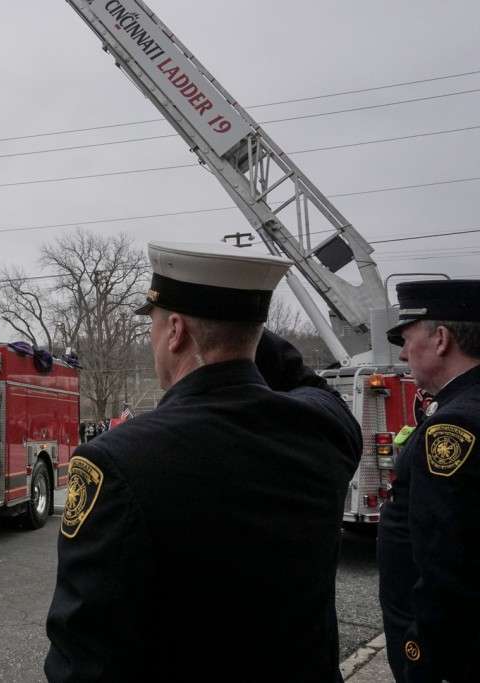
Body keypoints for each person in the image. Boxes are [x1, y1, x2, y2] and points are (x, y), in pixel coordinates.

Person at [45, 242, 362, 682]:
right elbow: (313, 387)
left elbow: (86, 657)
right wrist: (241, 323)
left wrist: (236, 323)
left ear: (175, 331)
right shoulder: (325, 430)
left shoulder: (115, 460)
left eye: (153, 328)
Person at [378, 280, 480, 683]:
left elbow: (448, 570)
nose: (402, 353)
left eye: (406, 338)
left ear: (441, 339)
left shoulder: (454, 426)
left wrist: (424, 661)